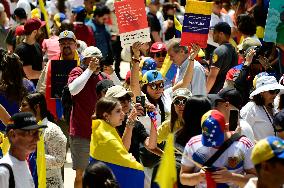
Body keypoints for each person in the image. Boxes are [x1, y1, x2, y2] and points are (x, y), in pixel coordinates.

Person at [180, 110, 256, 187]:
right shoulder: (193, 144)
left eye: (216, 138)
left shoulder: (244, 144)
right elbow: (183, 179)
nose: (213, 145)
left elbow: (255, 179)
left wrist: (232, 177)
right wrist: (199, 176)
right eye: (208, 139)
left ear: (226, 127)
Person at [68, 46, 108, 188]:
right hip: (81, 132)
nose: (96, 62)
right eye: (92, 59)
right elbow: (73, 89)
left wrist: (112, 72)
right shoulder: (77, 72)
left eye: (98, 59)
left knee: (100, 175)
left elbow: (117, 92)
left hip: (100, 134)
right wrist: (89, 70)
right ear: (85, 60)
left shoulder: (103, 76)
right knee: (81, 175)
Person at [89, 97, 144, 188]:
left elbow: (123, 150)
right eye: (118, 111)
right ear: (106, 116)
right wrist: (130, 160)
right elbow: (134, 168)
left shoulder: (102, 128)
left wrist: (130, 120)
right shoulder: (107, 137)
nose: (123, 114)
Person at [20, 93, 67, 188]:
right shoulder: (24, 129)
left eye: (24, 105)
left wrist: (36, 155)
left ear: (37, 107)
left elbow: (59, 161)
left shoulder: (52, 130)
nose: (20, 109)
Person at [36, 30, 80, 120]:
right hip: (56, 116)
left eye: (70, 43)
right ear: (59, 46)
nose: (66, 45)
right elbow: (41, 88)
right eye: (63, 43)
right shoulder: (51, 63)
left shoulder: (84, 63)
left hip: (79, 115)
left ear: (75, 45)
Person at [0, 112, 47, 188]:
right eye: (31, 133)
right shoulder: (3, 172)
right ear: (13, 135)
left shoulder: (23, 163)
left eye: (38, 133)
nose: (37, 139)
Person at [241, 75, 284, 141]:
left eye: (277, 91)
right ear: (261, 92)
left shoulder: (273, 107)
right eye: (272, 91)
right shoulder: (250, 108)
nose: (275, 94)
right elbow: (242, 132)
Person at [206, 22, 238, 94]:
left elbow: (212, 76)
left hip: (216, 92)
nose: (212, 35)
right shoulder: (234, 50)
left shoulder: (219, 51)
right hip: (227, 91)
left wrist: (204, 94)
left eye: (214, 32)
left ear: (221, 34)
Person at [14, 18, 45, 85]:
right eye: (40, 29)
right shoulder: (21, 50)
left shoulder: (37, 45)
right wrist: (46, 74)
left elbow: (42, 65)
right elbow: (29, 75)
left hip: (39, 88)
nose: (41, 32)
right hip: (27, 92)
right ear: (34, 32)